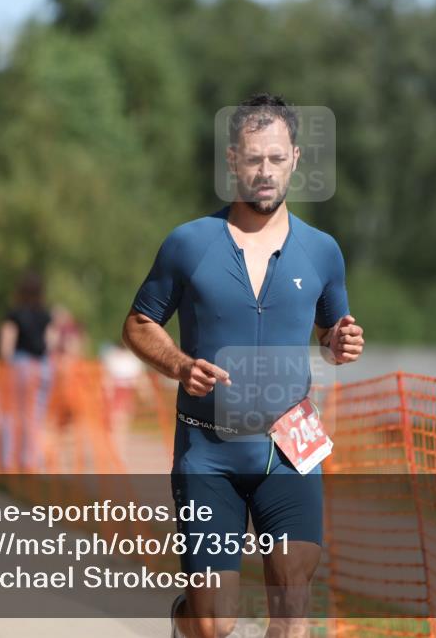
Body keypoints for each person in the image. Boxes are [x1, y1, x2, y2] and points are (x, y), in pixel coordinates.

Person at [122, 93, 364, 638]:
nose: (265, 171)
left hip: (289, 451)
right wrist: (182, 365)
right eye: (254, 158)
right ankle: (185, 617)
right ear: (232, 160)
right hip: (209, 453)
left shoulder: (323, 251)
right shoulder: (189, 244)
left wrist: (340, 342)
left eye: (276, 159)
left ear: (296, 160)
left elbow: (331, 330)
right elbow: (138, 324)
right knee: (215, 622)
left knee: (293, 602)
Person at [0, 272, 54, 471]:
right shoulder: (45, 314)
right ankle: (30, 461)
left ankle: (8, 461)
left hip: (20, 365)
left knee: (13, 414)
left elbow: (6, 347)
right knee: (36, 416)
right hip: (42, 366)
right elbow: (50, 343)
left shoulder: (14, 314)